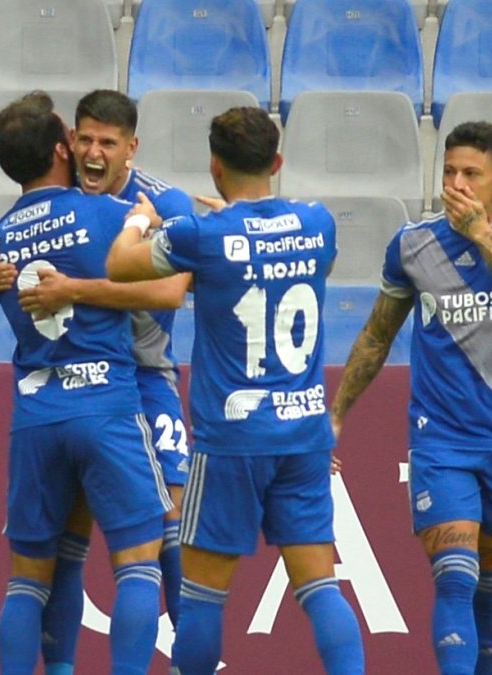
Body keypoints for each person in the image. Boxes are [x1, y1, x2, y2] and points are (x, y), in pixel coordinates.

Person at [106, 106, 365, 674]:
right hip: (303, 434)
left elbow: (119, 265)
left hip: (231, 439)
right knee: (321, 587)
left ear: (215, 167)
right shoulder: (318, 223)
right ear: (277, 162)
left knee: (202, 597)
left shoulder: (203, 235)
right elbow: (290, 258)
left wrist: (139, 221)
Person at [329, 121, 492, 675]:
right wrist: (334, 417)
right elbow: (377, 335)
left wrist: (480, 235)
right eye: (449, 171)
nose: (456, 184)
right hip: (440, 440)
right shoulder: (413, 244)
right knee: (455, 576)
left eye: (471, 174)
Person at [0, 91, 171, 675]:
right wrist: (141, 220)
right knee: (138, 564)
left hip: (36, 413)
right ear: (63, 148)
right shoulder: (106, 214)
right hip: (105, 403)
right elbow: (170, 290)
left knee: (28, 579)